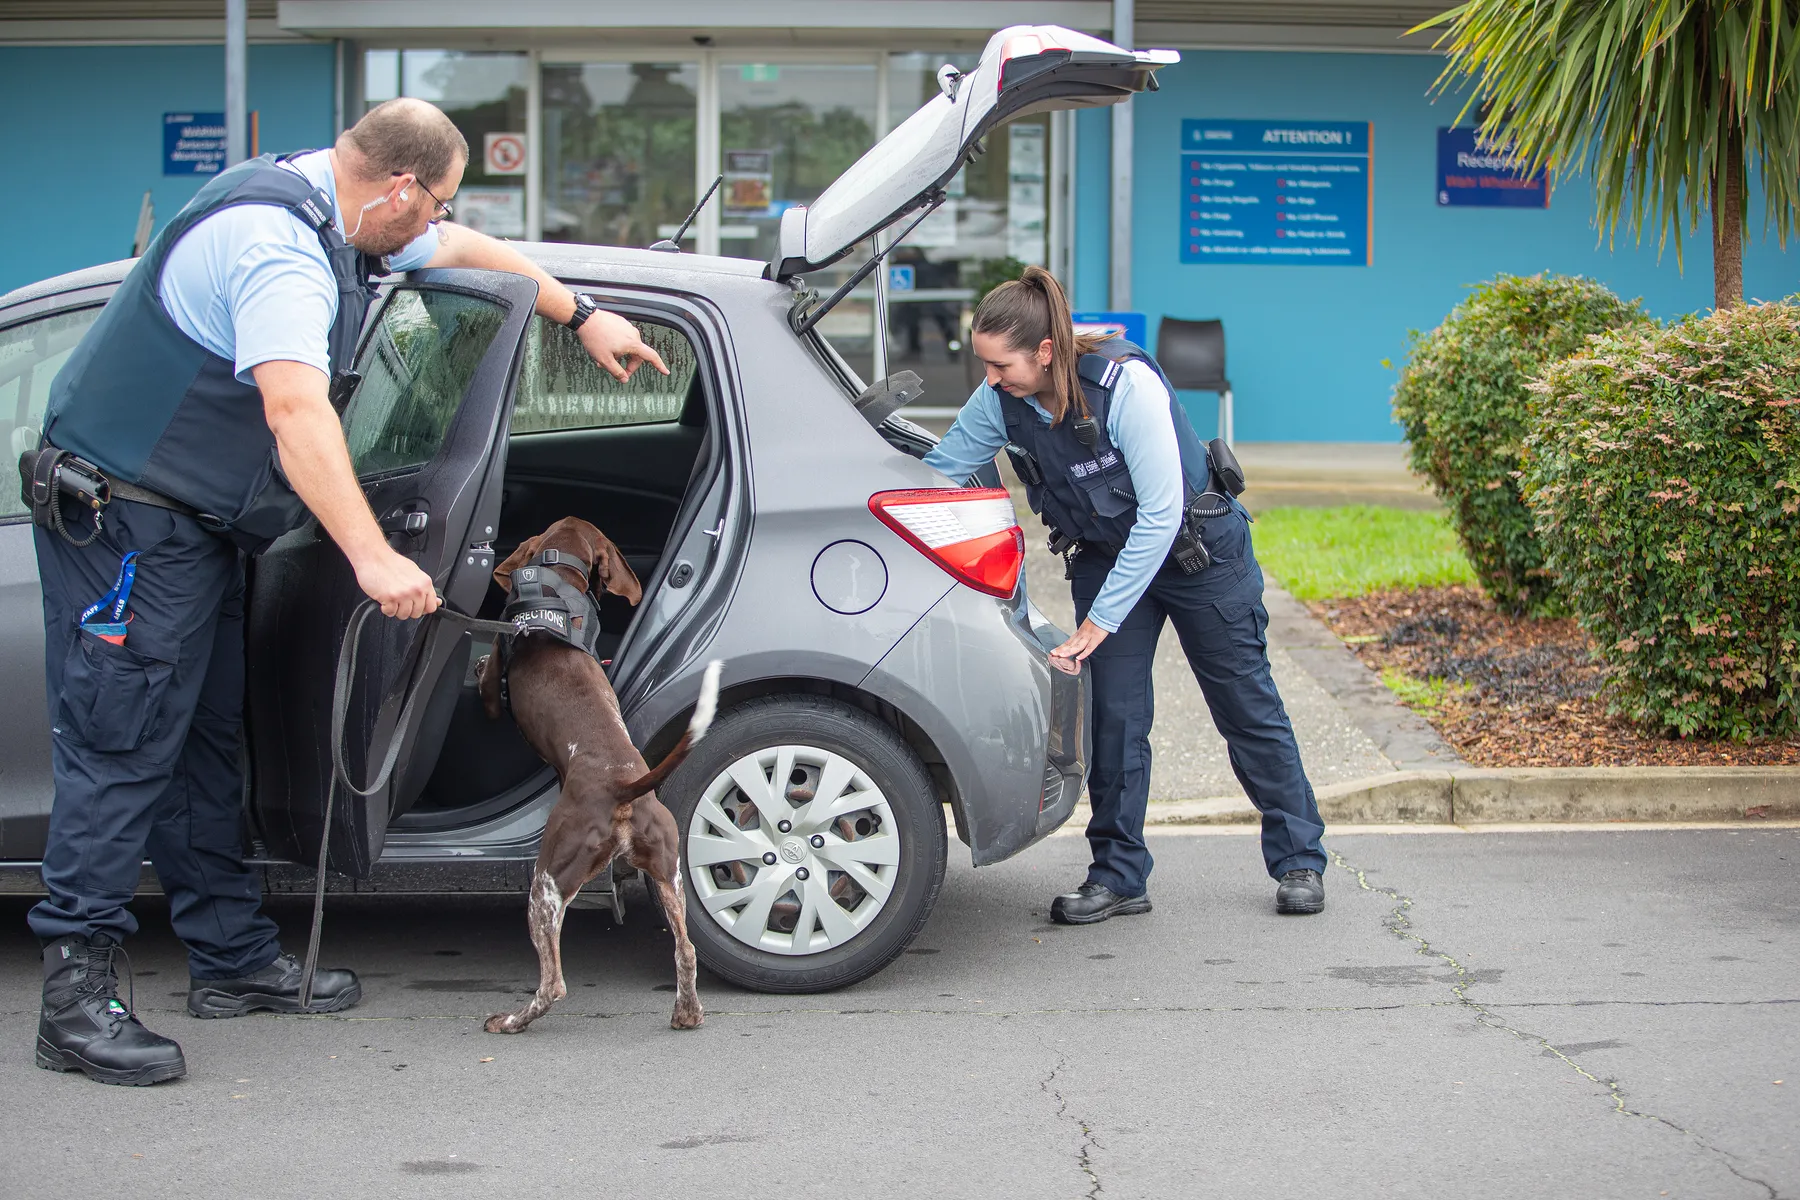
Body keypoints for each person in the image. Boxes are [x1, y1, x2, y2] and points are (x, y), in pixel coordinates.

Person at [25, 98, 667, 1086]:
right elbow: (293, 409)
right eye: (435, 204)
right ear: (401, 186)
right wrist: (369, 555)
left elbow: (469, 249)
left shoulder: (344, 205)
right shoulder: (277, 253)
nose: (437, 226)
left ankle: (231, 961)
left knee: (204, 739)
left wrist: (581, 316)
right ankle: (75, 1001)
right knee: (123, 746)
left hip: (193, 526)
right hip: (128, 523)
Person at [922, 267, 1327, 926]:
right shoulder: (999, 400)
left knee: (1246, 709)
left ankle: (1299, 859)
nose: (990, 378)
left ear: (1045, 351)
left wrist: (1101, 621)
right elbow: (938, 474)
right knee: (1113, 723)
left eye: (1001, 364)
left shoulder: (1123, 384)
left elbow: (1162, 512)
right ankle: (1117, 875)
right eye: (984, 364)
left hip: (1200, 553)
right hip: (1107, 559)